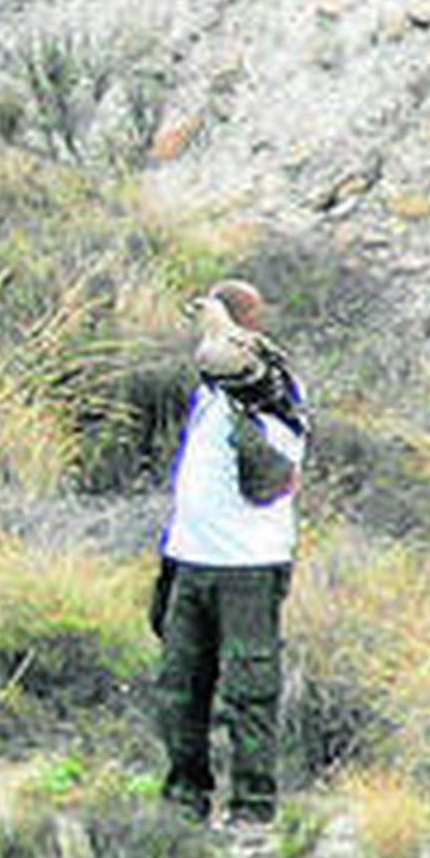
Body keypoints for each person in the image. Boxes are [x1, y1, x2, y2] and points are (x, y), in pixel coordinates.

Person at [152, 278, 308, 825]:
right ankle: (185, 798)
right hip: (191, 557)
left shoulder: (271, 385)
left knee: (249, 691)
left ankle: (253, 805)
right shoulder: (209, 394)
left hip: (248, 565)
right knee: (180, 688)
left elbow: (238, 365)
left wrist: (220, 323)